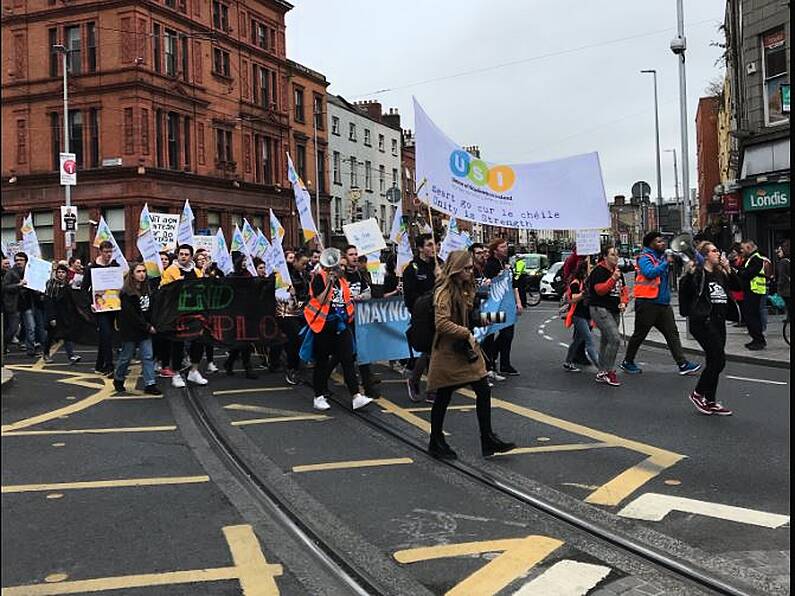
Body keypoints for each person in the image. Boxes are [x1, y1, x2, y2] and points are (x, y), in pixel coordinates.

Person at [426, 250, 515, 460]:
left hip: (464, 350)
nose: (470, 271)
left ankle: (487, 438)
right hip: (448, 352)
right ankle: (435, 440)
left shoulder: (464, 289)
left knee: (483, 390)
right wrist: (467, 333)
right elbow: (442, 323)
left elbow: (469, 317)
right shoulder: (444, 292)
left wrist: (489, 318)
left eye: (470, 268)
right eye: (466, 268)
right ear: (456, 269)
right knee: (444, 396)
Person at [620, 231, 701, 376]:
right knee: (640, 334)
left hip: (662, 303)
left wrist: (689, 251)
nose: (662, 243)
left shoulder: (663, 256)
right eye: (658, 241)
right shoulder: (645, 257)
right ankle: (627, 361)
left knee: (672, 334)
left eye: (663, 241)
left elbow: (695, 260)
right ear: (650, 244)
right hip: (647, 303)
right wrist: (666, 262)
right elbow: (650, 272)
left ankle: (682, 364)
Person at [306, 247, 372, 412]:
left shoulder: (342, 283)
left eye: (343, 266)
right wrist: (329, 280)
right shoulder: (319, 278)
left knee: (347, 360)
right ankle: (318, 396)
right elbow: (321, 300)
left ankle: (356, 396)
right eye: (339, 266)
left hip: (341, 326)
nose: (341, 268)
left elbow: (346, 302)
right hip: (323, 325)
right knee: (322, 362)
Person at [679, 242, 740, 415]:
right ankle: (698, 394)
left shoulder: (720, 273)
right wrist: (690, 273)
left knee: (715, 361)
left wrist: (728, 268)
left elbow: (738, 287)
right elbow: (686, 290)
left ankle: (711, 400)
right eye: (714, 251)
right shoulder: (699, 273)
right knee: (718, 359)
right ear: (705, 255)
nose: (718, 253)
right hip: (703, 321)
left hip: (719, 321)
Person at [160, 244, 209, 387]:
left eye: (187, 254)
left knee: (198, 341)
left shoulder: (197, 272)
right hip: (177, 314)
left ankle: (194, 370)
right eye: (181, 254)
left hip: (194, 314)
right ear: (177, 254)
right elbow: (164, 291)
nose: (183, 256)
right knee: (177, 344)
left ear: (190, 256)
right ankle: (176, 374)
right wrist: (177, 285)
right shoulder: (170, 271)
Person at [112, 263, 162, 395]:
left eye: (144, 271)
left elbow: (150, 309)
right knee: (126, 357)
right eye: (138, 271)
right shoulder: (126, 293)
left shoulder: (147, 289)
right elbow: (131, 315)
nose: (142, 274)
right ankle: (118, 379)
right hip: (131, 330)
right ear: (132, 274)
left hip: (144, 329)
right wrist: (147, 326)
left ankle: (150, 384)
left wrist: (152, 323)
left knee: (147, 356)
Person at [403, 234, 442, 402]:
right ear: (420, 248)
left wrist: (442, 277)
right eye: (429, 245)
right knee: (430, 350)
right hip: (423, 317)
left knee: (435, 350)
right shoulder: (412, 269)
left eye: (436, 244)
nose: (434, 248)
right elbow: (410, 297)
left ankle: (418, 380)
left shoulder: (440, 265)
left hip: (441, 313)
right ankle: (427, 386)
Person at [587, 245, 628, 387]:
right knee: (615, 339)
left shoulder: (618, 272)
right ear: (605, 257)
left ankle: (601, 371)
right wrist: (612, 279)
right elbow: (599, 290)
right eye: (612, 254)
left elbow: (623, 289)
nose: (616, 257)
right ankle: (609, 371)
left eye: (617, 254)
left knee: (606, 340)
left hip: (614, 309)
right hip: (600, 308)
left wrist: (624, 302)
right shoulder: (599, 271)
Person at [483, 238, 523, 377]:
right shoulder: (490, 265)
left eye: (506, 246)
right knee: (492, 334)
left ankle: (504, 363)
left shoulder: (505, 264)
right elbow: (487, 284)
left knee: (508, 334)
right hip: (494, 307)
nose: (506, 248)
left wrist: (518, 302)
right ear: (495, 250)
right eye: (502, 246)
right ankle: (489, 363)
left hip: (507, 306)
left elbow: (513, 285)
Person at [83, 241, 121, 375]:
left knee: (106, 337)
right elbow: (84, 289)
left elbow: (118, 285)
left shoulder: (115, 265)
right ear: (100, 251)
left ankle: (99, 365)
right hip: (99, 307)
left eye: (110, 252)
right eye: (106, 252)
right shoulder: (91, 268)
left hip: (113, 306)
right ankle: (110, 366)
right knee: (106, 334)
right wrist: (90, 303)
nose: (108, 255)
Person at [270, 253, 308, 385]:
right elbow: (277, 294)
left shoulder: (303, 274)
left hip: (300, 312)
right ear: (295, 261)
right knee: (295, 338)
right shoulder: (283, 274)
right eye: (302, 263)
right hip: (286, 313)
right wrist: (289, 294)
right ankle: (291, 368)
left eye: (306, 264)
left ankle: (295, 365)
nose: (305, 266)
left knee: (299, 338)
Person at [223, 253, 258, 379]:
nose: (245, 263)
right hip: (236, 313)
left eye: (245, 260)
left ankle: (229, 362)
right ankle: (247, 367)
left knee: (245, 341)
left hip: (248, 311)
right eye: (243, 260)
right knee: (243, 341)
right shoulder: (232, 276)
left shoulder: (248, 274)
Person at [563, 260, 599, 372]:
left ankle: (568, 362)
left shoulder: (589, 282)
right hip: (579, 316)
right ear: (584, 271)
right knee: (589, 340)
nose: (592, 271)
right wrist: (583, 293)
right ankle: (602, 368)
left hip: (587, 315)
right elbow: (573, 298)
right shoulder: (576, 283)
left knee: (577, 340)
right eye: (590, 268)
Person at [42, 264, 80, 364]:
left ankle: (71, 356)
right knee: (51, 335)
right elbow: (48, 301)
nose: (61, 274)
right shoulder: (51, 284)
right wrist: (51, 317)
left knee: (67, 335)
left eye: (63, 272)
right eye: (59, 272)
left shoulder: (66, 284)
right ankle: (46, 354)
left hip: (63, 315)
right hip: (54, 314)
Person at [736, 240, 769, 350]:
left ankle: (759, 340)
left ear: (749, 247)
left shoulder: (756, 258)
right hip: (751, 290)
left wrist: (738, 272)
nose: (741, 251)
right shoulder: (751, 258)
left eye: (743, 248)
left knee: (752, 316)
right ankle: (756, 339)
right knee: (750, 315)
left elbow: (748, 274)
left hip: (754, 290)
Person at [2, 253, 29, 354]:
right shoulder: (11, 272)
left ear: (26, 261)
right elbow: (5, 287)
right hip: (14, 306)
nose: (18, 262)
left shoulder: (29, 272)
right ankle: (3, 345)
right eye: (17, 260)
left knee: (30, 327)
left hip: (27, 305)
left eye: (21, 260)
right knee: (13, 329)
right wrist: (19, 285)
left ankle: (29, 347)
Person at [776, 240, 790, 321]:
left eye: (779, 250)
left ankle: (789, 318)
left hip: (786, 288)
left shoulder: (783, 262)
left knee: (788, 304)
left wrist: (779, 286)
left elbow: (782, 276)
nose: (778, 252)